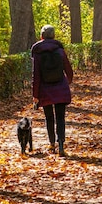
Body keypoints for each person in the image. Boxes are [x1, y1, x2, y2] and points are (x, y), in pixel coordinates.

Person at [31, 25, 73, 156]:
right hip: (60, 88)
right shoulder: (60, 50)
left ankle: (51, 143)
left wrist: (35, 95)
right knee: (60, 117)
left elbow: (36, 75)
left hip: (45, 90)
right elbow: (68, 69)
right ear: (53, 36)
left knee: (49, 117)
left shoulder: (37, 52)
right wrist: (67, 81)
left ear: (41, 36)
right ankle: (61, 144)